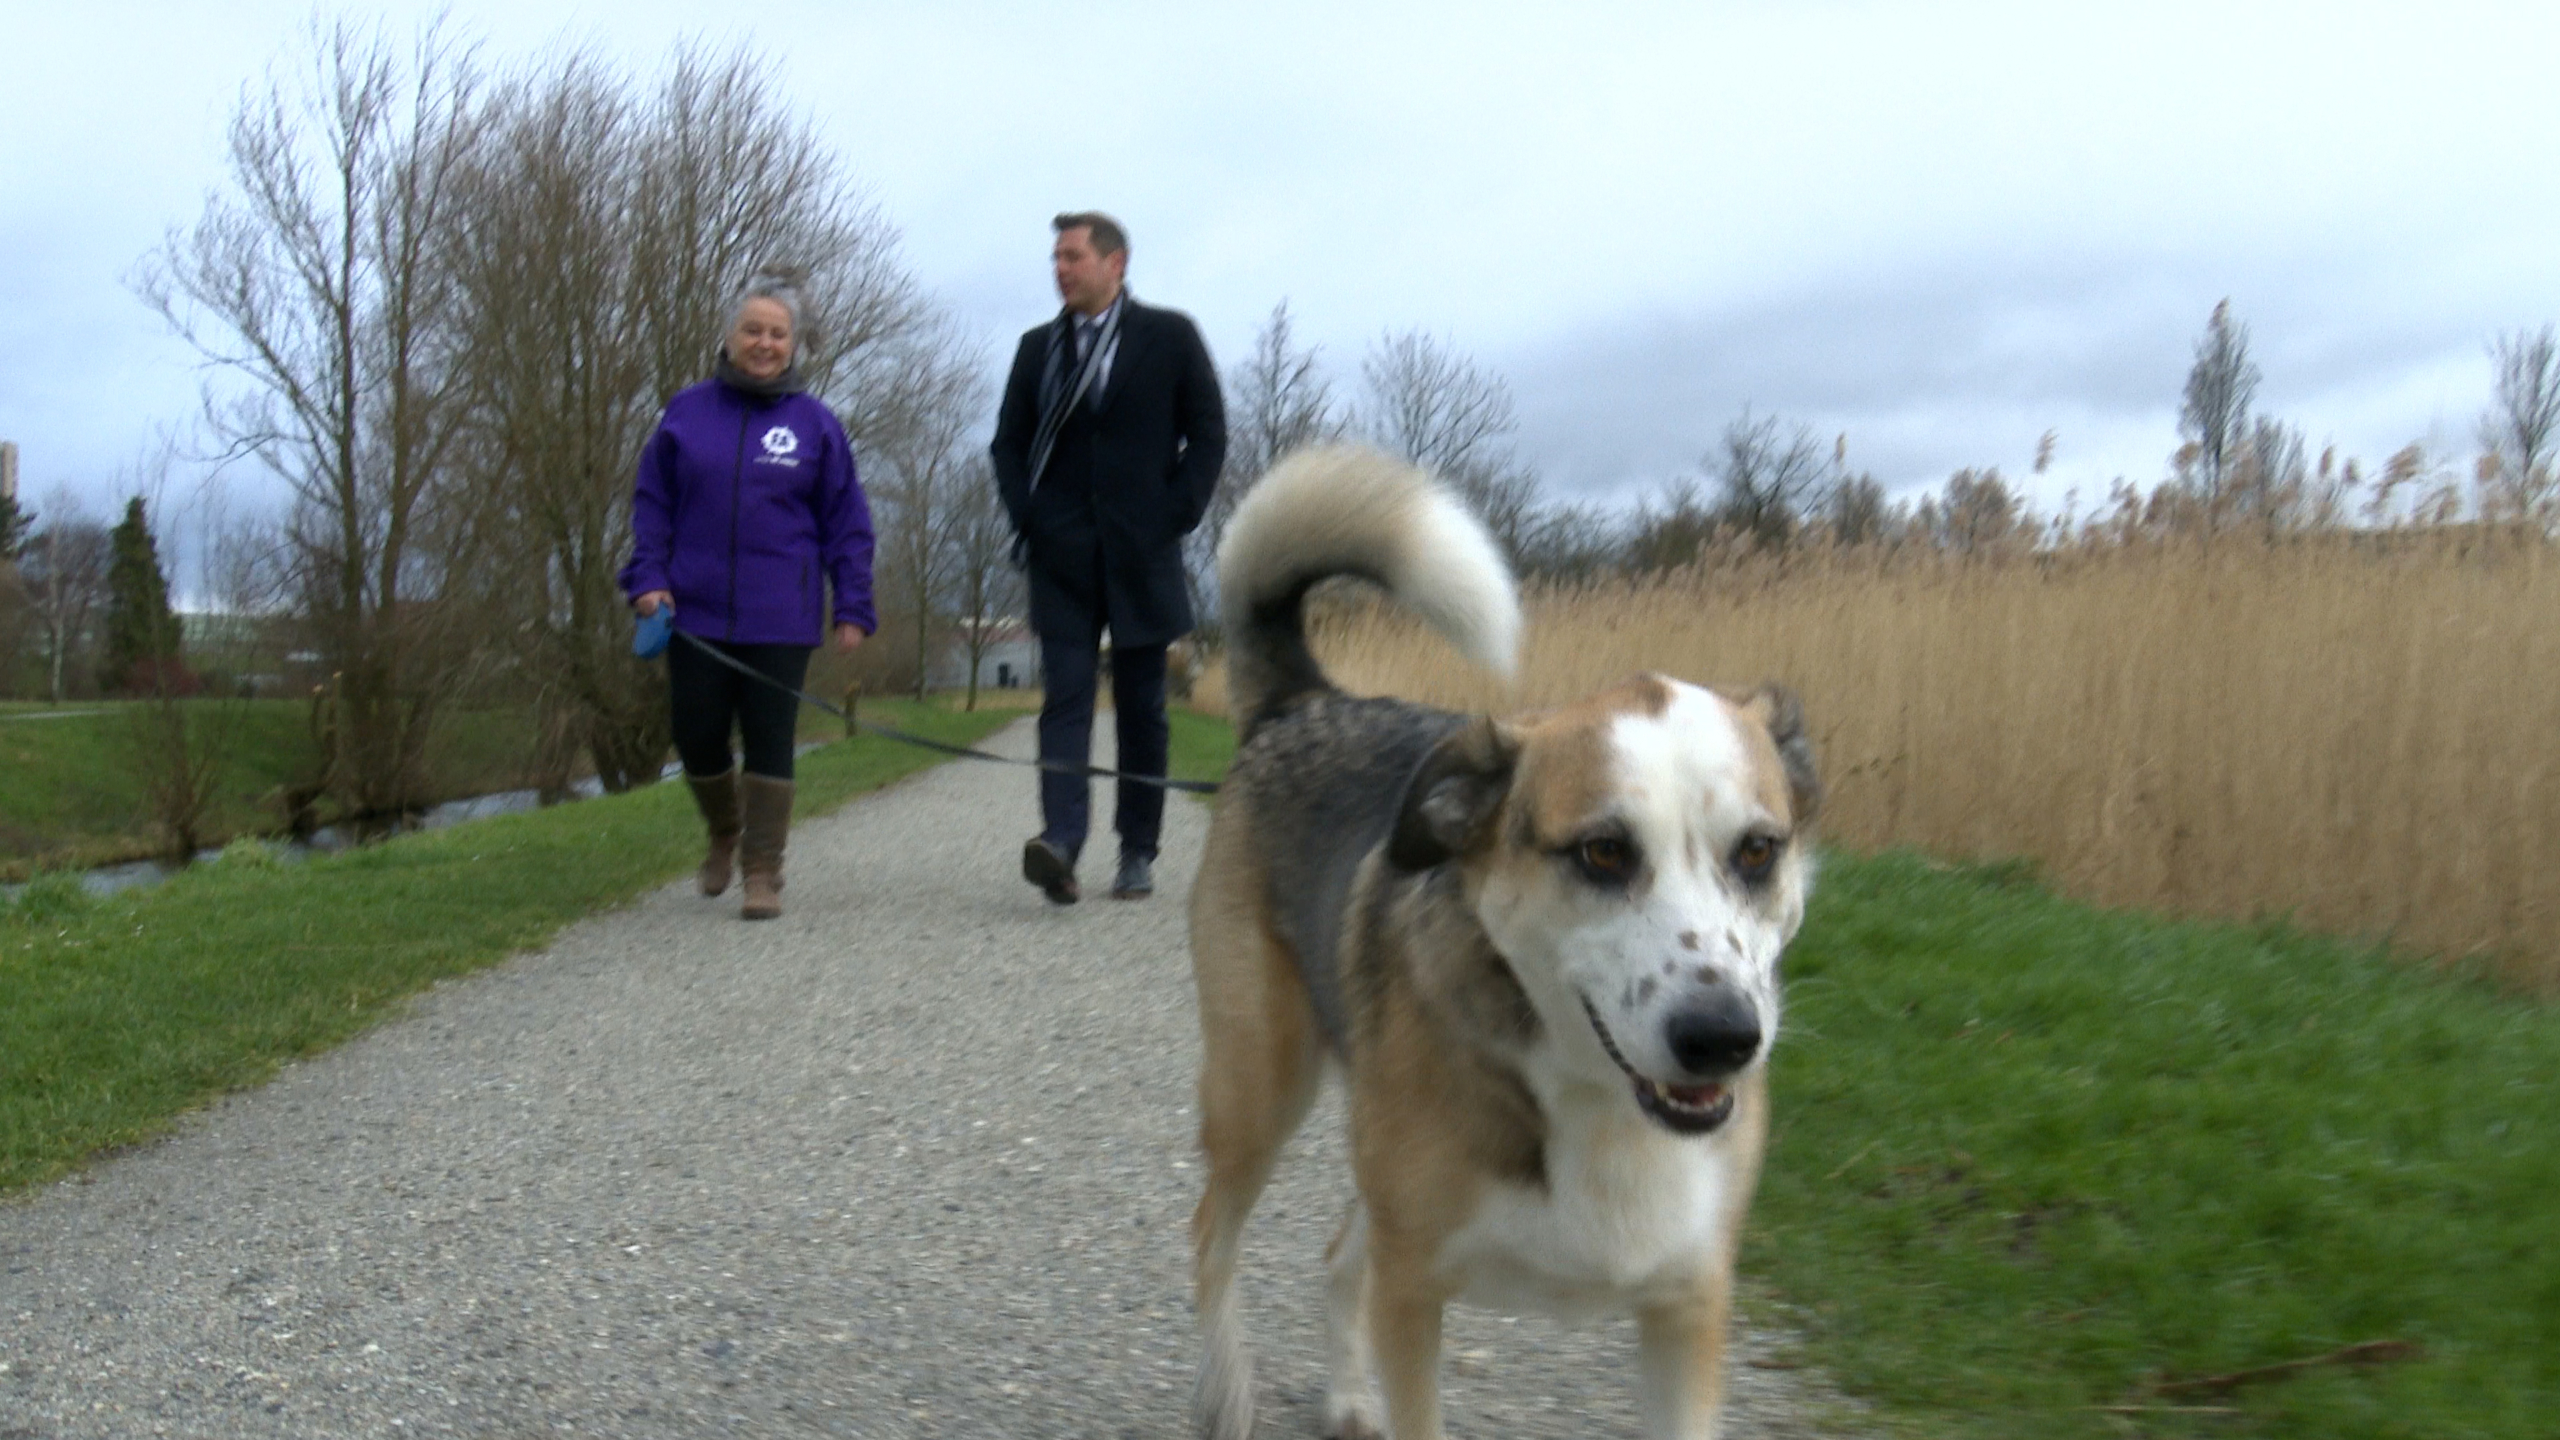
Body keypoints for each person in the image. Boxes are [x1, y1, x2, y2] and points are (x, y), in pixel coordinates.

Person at [621, 276, 875, 920]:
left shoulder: (816, 425)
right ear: (730, 338)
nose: (765, 343)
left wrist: (852, 605)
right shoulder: (686, 412)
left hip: (780, 615)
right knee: (698, 735)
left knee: (770, 739)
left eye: (778, 334)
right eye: (753, 331)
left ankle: (764, 871)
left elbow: (847, 522)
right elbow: (653, 503)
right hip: (694, 611)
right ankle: (724, 828)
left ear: (793, 347)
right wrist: (647, 577)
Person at [990, 212, 1226, 905]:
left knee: (1143, 708)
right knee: (1064, 696)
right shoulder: (1038, 348)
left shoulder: (1170, 337)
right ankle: (1061, 845)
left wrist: (1172, 515)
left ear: (1115, 264)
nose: (1060, 268)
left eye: (1073, 256)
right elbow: (1007, 443)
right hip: (1060, 555)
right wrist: (1029, 515)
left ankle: (1137, 850)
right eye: (1056, 257)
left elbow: (1208, 435)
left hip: (1142, 551)